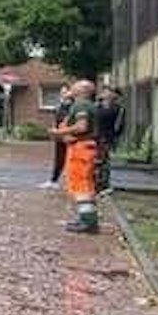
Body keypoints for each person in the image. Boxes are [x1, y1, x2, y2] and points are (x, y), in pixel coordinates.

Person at [54, 78, 100, 233]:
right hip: (85, 147)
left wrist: (60, 132)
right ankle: (86, 218)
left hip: (81, 149)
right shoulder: (85, 105)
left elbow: (82, 127)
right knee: (84, 183)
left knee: (81, 184)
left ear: (82, 90)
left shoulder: (82, 105)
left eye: (75, 85)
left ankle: (88, 223)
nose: (71, 87)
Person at [94, 84, 125, 195]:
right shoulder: (97, 106)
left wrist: (114, 137)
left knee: (104, 162)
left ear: (113, 95)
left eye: (107, 91)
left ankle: (103, 185)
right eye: (104, 91)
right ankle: (96, 184)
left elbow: (120, 125)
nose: (104, 93)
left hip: (107, 137)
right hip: (95, 137)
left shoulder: (118, 108)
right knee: (95, 161)